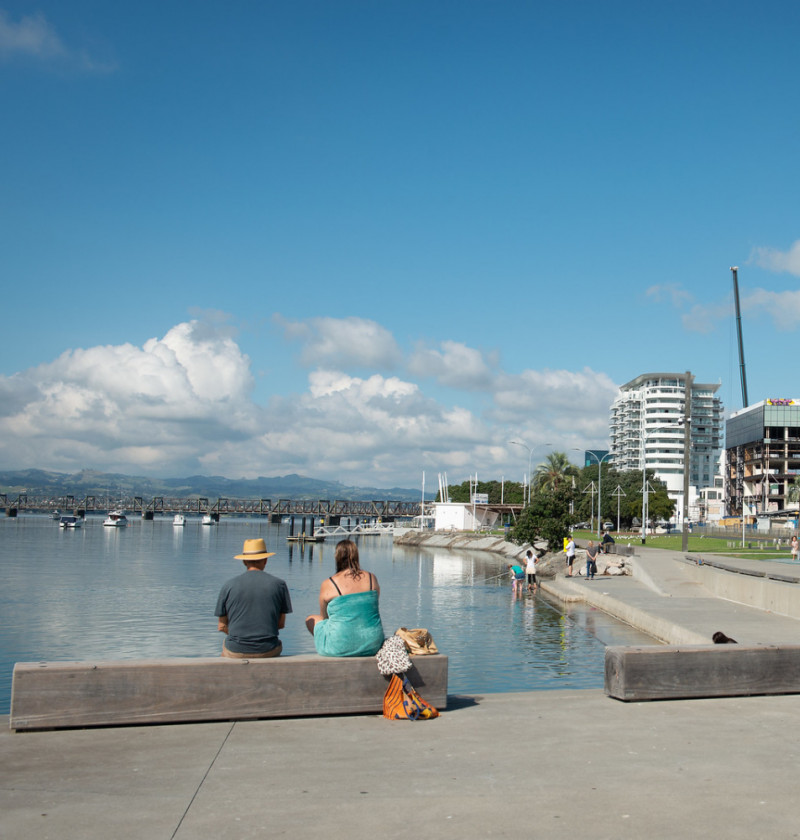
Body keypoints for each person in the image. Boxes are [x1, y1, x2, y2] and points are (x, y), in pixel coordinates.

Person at [215, 538, 292, 658]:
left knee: (225, 648)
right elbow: (280, 624)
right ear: (265, 560)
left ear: (244, 561)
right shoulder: (279, 585)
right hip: (268, 649)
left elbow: (222, 626)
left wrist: (239, 636)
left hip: (236, 649)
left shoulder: (228, 585)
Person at [305, 540, 384, 657]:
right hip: (373, 644)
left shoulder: (329, 583)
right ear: (357, 556)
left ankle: (339, 643)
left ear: (337, 557)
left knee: (311, 619)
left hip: (340, 646)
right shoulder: (371, 579)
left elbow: (325, 617)